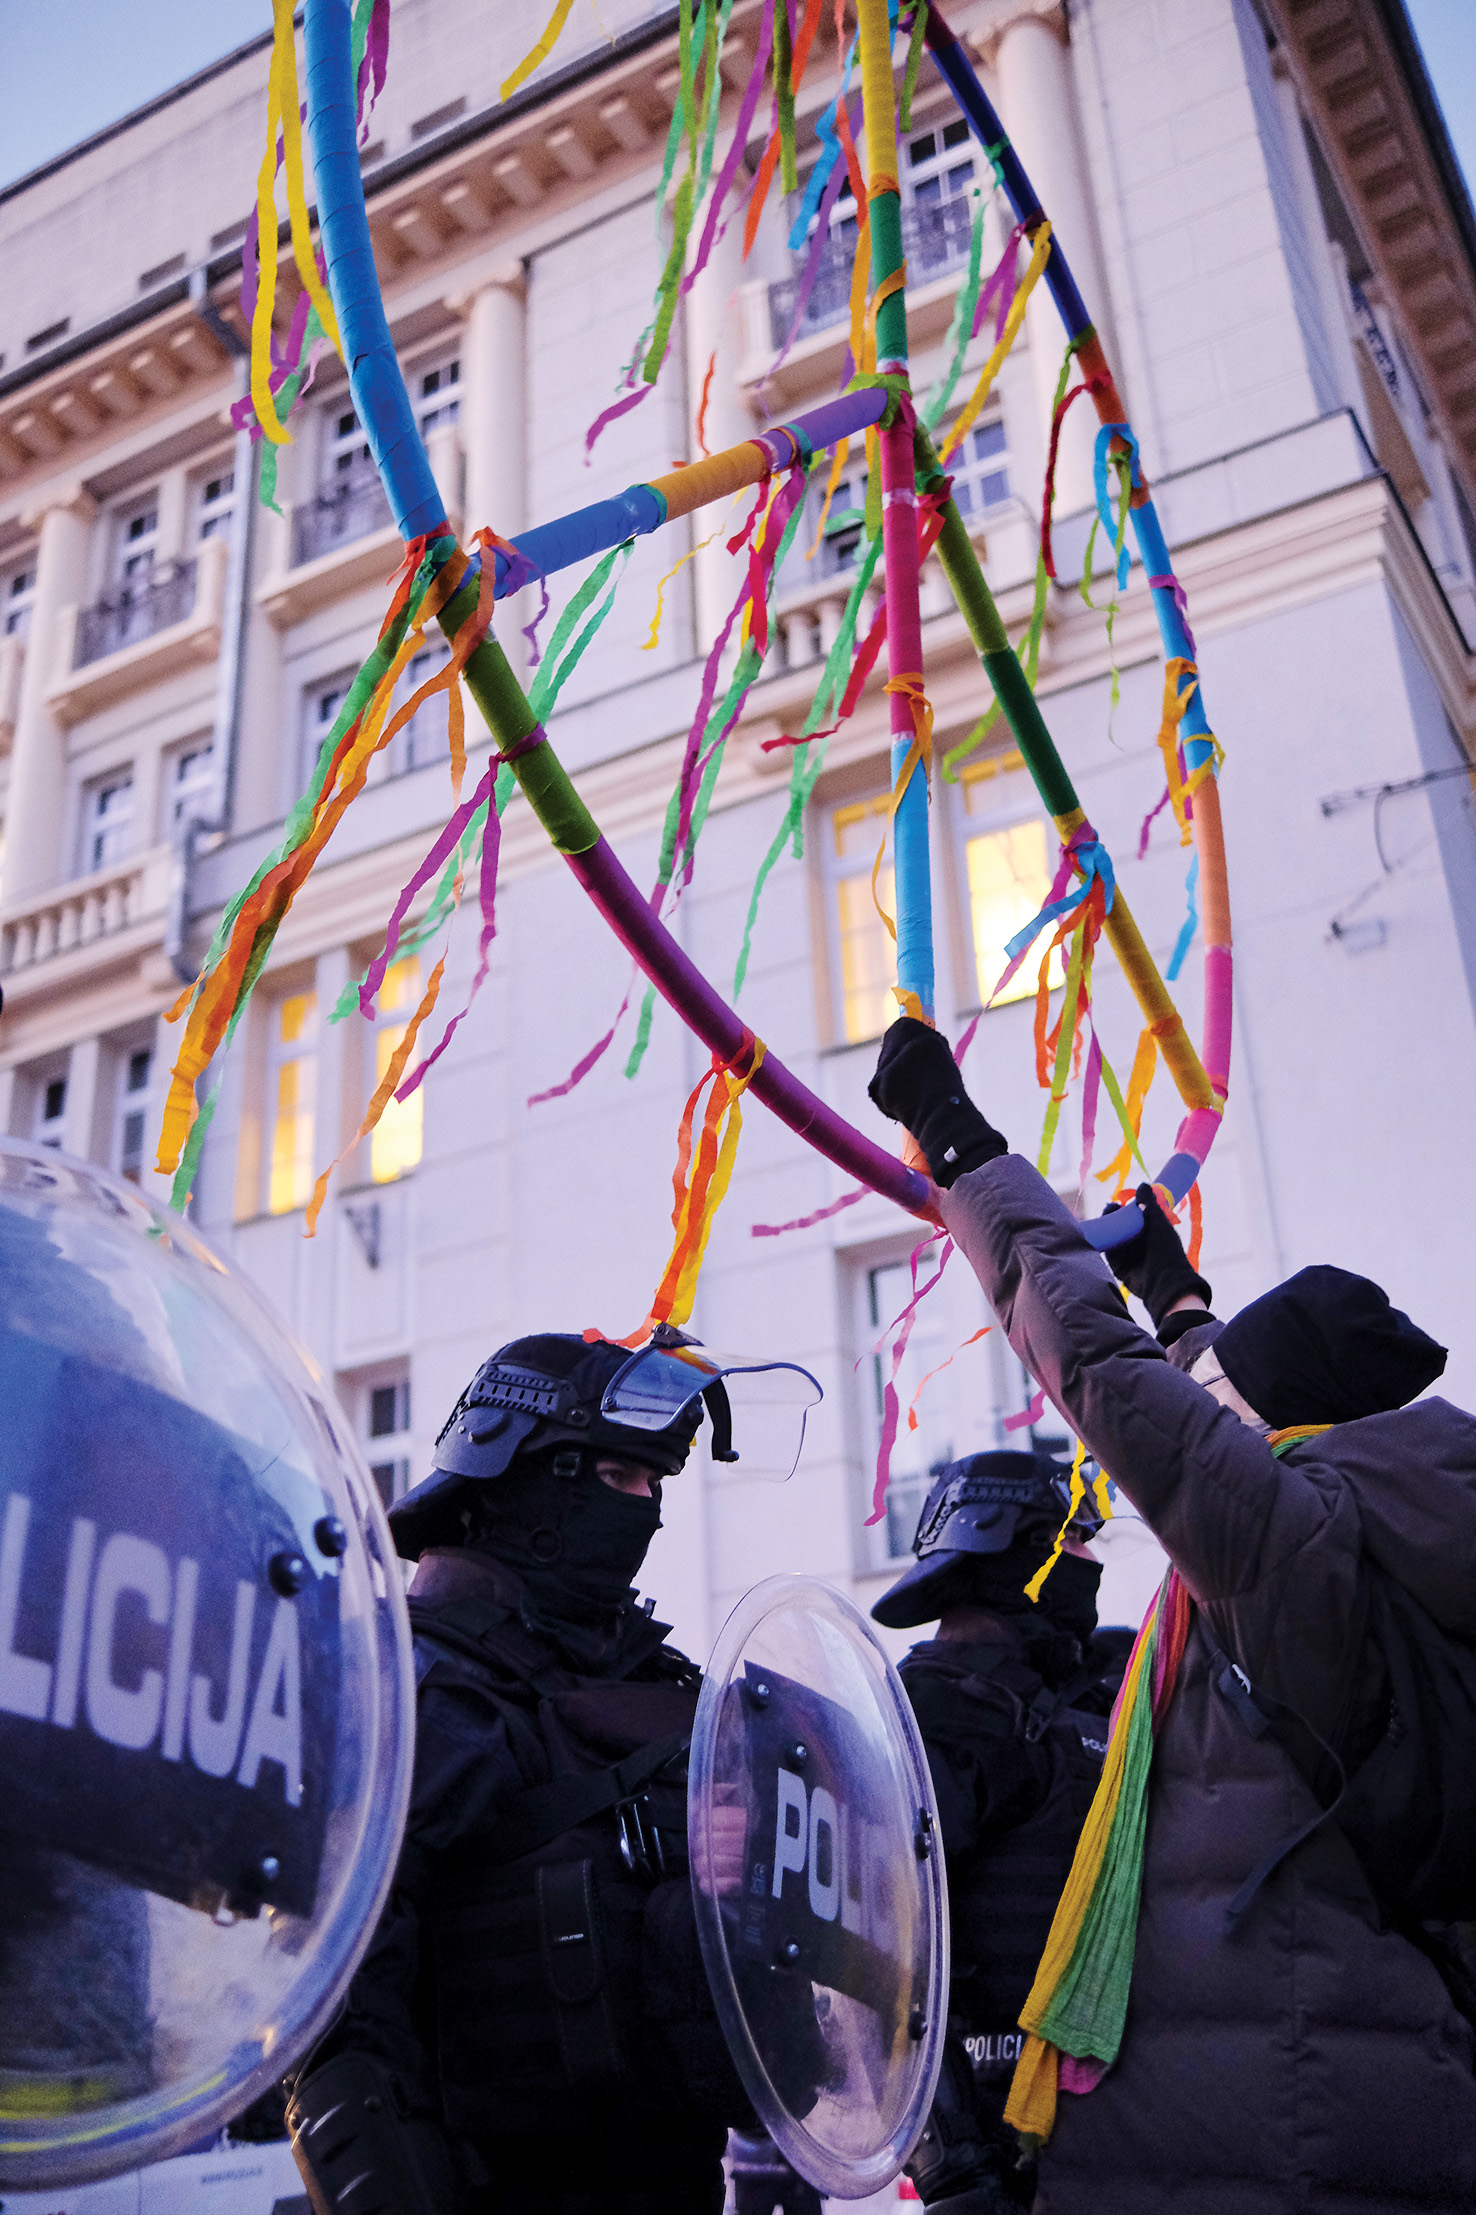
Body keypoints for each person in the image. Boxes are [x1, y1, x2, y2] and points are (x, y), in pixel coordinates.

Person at [869, 1014, 1476, 2214]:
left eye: (1221, 1399)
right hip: (1375, 2075)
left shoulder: (1291, 1548)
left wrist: (959, 1146)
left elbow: (1104, 1370)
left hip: (1272, 2126)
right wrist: (1178, 1291)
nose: (1204, 1404)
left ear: (1269, 1426)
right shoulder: (1389, 1522)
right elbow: (1221, 1398)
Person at [286, 1328, 800, 2215]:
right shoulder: (418, 1689)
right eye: (619, 1478)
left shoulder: (652, 1687)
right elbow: (334, 2017)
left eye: (656, 1483)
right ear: (524, 1475)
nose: (649, 1508)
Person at [872, 1451, 1125, 2213]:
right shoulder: (946, 1706)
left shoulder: (1080, 1690)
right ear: (1004, 1544)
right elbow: (883, 1945)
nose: (1089, 1560)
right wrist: (953, 2165)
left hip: (1111, 2111)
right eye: (1071, 1539)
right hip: (998, 2130)